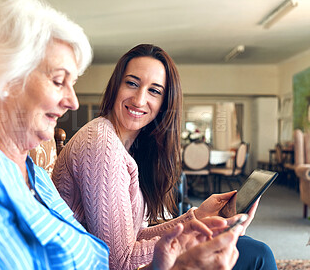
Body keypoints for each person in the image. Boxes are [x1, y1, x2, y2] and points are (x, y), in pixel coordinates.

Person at [0, 0, 243, 270]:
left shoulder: (30, 174)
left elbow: (104, 254)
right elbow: (117, 260)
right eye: (58, 81)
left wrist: (184, 235)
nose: (71, 101)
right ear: (7, 81)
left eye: (72, 83)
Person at [52, 44, 277, 270]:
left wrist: (197, 218)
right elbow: (120, 262)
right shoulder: (102, 143)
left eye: (154, 91)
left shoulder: (127, 145)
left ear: (164, 103)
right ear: (116, 86)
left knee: (246, 247)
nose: (140, 100)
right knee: (256, 254)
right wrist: (191, 238)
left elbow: (134, 237)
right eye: (132, 83)